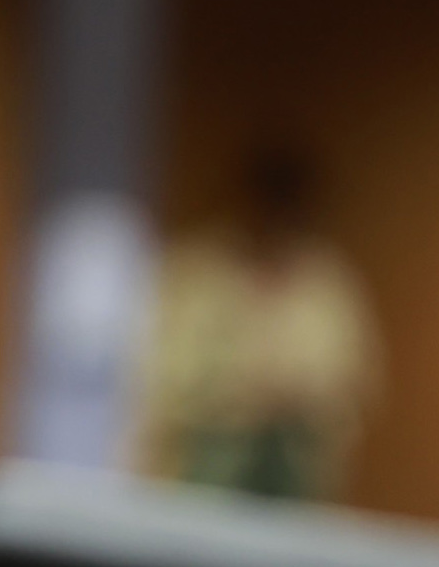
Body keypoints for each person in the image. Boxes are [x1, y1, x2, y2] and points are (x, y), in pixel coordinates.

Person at [138, 142, 381, 503]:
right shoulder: (196, 273)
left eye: (289, 208)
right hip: (198, 477)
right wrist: (241, 394)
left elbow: (355, 389)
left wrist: (295, 399)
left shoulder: (329, 288)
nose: (277, 220)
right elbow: (159, 375)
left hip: (292, 483)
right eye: (270, 203)